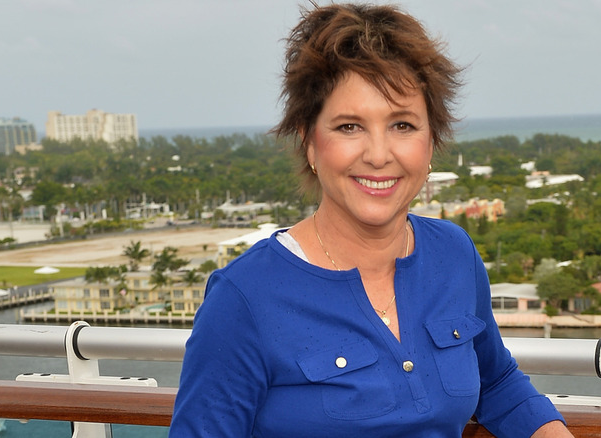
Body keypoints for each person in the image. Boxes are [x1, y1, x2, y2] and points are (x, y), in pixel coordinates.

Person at [169, 3, 573, 437]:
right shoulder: (245, 297)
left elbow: (497, 382)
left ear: (431, 141)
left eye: (402, 125)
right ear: (309, 142)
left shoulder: (453, 254)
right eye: (349, 127)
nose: (379, 155)